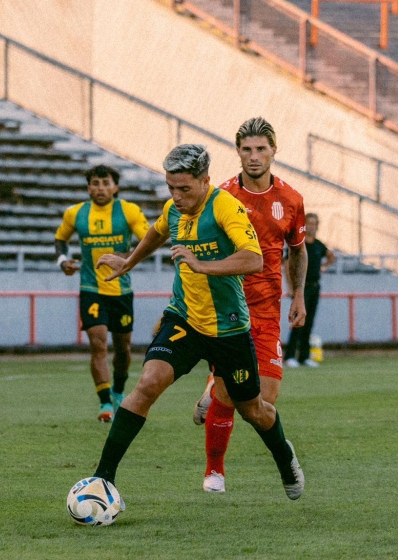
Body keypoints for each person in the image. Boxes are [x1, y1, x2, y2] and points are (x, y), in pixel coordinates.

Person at [90, 144, 304, 501]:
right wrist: (128, 262)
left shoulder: (225, 207)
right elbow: (157, 231)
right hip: (184, 319)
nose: (176, 196)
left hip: (229, 328)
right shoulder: (174, 208)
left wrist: (203, 265)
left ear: (205, 181)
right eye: (171, 188)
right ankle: (102, 480)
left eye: (184, 188)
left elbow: (254, 259)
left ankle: (284, 456)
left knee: (253, 410)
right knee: (148, 385)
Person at [191, 118, 308, 494]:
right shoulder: (220, 197)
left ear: (274, 150)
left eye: (261, 149)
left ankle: (214, 384)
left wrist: (299, 294)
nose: (254, 156)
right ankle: (214, 472)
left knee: (262, 404)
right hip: (228, 307)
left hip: (268, 309)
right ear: (237, 152)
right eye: (247, 149)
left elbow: (297, 251)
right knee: (230, 396)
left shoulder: (291, 200)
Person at [55, 164, 149, 422]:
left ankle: (118, 391)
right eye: (95, 183)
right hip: (91, 289)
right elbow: (60, 239)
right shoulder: (76, 213)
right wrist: (63, 261)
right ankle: (105, 403)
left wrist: (127, 257)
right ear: (88, 187)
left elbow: (149, 240)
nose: (100, 188)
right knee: (98, 345)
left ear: (115, 187)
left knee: (123, 348)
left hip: (121, 290)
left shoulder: (128, 211)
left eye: (106, 183)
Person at [285, 212, 336, 368]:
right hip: (301, 288)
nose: (312, 227)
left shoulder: (319, 245)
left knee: (309, 322)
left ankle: (304, 356)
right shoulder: (298, 244)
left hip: (314, 286)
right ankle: (290, 355)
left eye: (315, 224)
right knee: (298, 321)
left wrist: (324, 267)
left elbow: (331, 256)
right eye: (309, 223)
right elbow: (287, 264)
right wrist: (291, 287)